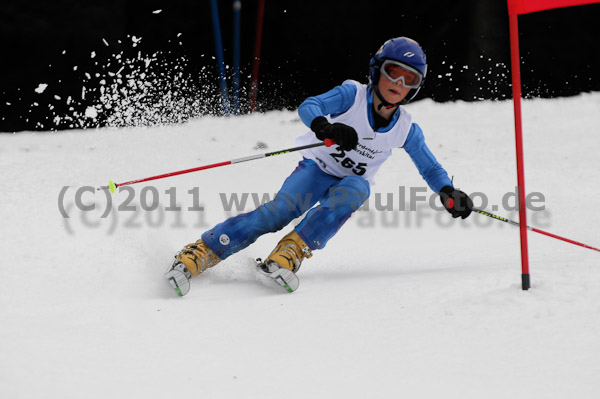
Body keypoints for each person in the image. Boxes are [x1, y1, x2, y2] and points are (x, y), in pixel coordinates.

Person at [165, 36, 474, 296]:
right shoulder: (352, 96)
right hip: (316, 170)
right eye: (393, 72)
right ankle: (202, 251)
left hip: (350, 182)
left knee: (357, 188)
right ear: (377, 70)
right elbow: (310, 106)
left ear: (416, 88)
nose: (398, 83)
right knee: (277, 214)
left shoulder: (405, 128)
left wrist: (448, 191)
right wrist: (325, 127)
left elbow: (430, 168)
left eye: (409, 79)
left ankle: (290, 250)